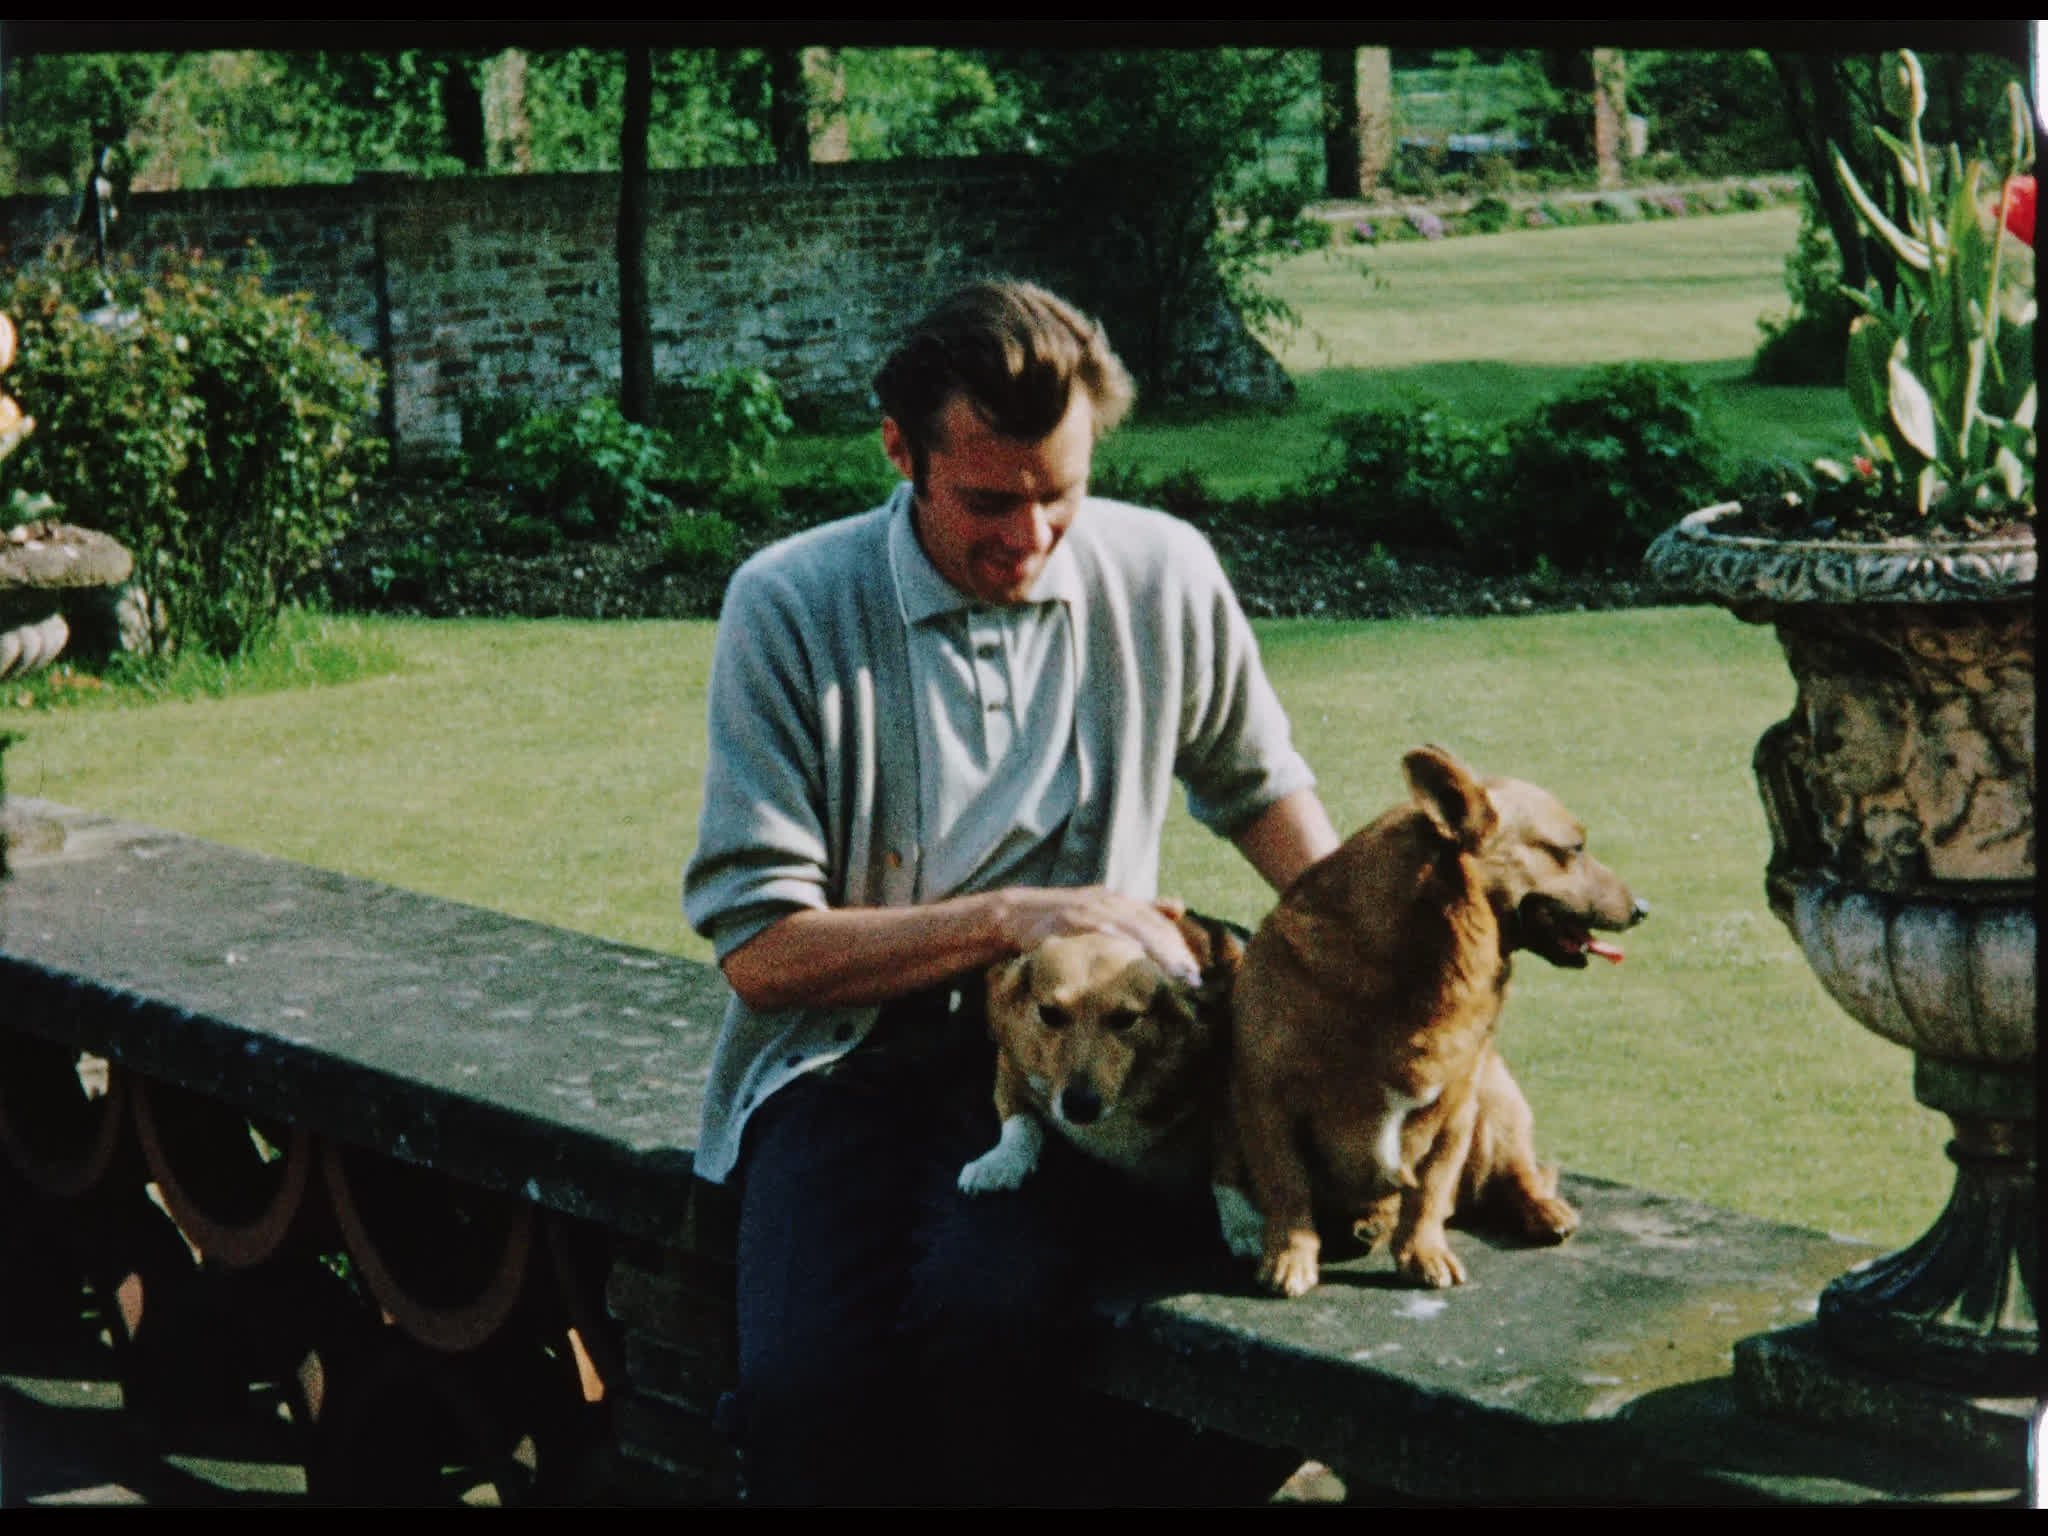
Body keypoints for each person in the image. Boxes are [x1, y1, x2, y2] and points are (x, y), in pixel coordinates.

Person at [683, 279, 1338, 1505]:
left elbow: (1260, 797)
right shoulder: (789, 605)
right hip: (846, 1066)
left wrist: (1376, 984)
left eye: (1060, 497)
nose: (1028, 540)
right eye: (987, 501)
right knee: (801, 1401)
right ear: (898, 451)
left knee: (995, 1325)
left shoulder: (1160, 573)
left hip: (1079, 1074)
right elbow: (763, 956)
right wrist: (1012, 917)